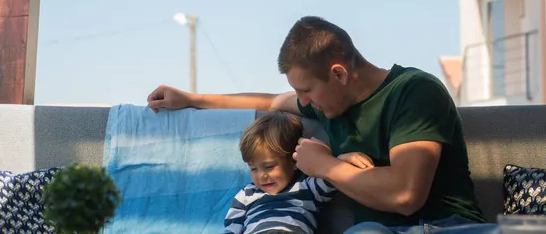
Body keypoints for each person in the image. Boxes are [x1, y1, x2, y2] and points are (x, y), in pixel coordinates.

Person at [148, 16, 494, 234]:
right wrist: (193, 99)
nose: (303, 102)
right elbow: (269, 101)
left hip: (449, 226)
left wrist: (326, 166)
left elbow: (405, 195)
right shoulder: (329, 103)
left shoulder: (415, 92)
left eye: (307, 91)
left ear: (339, 74)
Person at [223, 111, 371, 234]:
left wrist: (342, 160)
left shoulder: (306, 187)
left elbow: (331, 176)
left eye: (269, 166)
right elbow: (232, 229)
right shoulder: (246, 195)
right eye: (253, 168)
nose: (262, 175)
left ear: (294, 161)